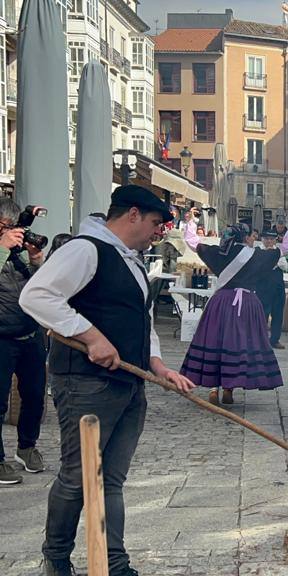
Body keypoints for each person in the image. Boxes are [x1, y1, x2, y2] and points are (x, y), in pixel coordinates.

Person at [19, 186, 195, 576]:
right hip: (86, 384)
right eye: (154, 223)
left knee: (111, 479)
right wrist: (92, 337)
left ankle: (115, 565)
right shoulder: (86, 249)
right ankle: (57, 558)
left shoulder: (129, 259)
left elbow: (139, 319)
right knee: (78, 477)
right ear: (132, 214)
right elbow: (36, 296)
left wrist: (158, 365)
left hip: (130, 384)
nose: (157, 232)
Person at [181, 215, 288, 405]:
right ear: (245, 238)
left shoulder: (217, 252)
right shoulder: (258, 255)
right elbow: (286, 248)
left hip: (220, 302)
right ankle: (229, 387)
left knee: (216, 341)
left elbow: (193, 242)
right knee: (239, 344)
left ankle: (214, 388)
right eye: (251, 236)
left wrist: (191, 223)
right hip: (246, 303)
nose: (254, 239)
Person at [0, 200, 47, 485]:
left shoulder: (17, 249)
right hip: (1, 336)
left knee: (34, 397)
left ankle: (26, 447)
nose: (15, 231)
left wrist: (35, 258)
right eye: (8, 226)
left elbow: (41, 286)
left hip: (30, 333)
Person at [256, 229, 288, 350]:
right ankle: (261, 339)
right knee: (263, 314)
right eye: (267, 239)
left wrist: (275, 257)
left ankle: (275, 339)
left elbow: (285, 266)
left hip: (278, 287)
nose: (269, 241)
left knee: (278, 314)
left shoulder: (278, 251)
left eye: (272, 239)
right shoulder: (258, 251)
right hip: (263, 287)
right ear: (262, 239)